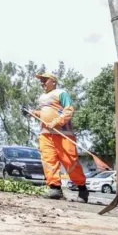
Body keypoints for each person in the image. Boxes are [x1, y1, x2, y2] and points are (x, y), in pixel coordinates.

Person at [23, 73, 88, 202]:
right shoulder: (42, 98)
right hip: (46, 134)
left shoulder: (61, 93)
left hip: (63, 135)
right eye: (41, 81)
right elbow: (43, 114)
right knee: (49, 161)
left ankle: (82, 189)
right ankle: (54, 188)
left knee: (70, 162)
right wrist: (32, 112)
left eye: (44, 80)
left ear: (53, 81)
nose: (42, 82)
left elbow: (69, 110)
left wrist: (56, 122)